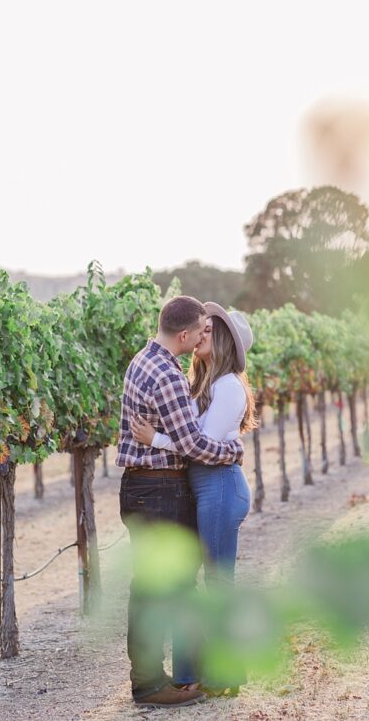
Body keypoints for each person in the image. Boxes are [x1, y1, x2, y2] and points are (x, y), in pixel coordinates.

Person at [115, 295, 245, 709]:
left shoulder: (142, 360)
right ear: (185, 334)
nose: (202, 338)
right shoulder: (169, 376)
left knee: (151, 586)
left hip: (139, 489)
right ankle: (151, 684)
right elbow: (191, 444)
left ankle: (155, 677)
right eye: (200, 331)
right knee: (165, 587)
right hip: (159, 491)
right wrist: (232, 451)